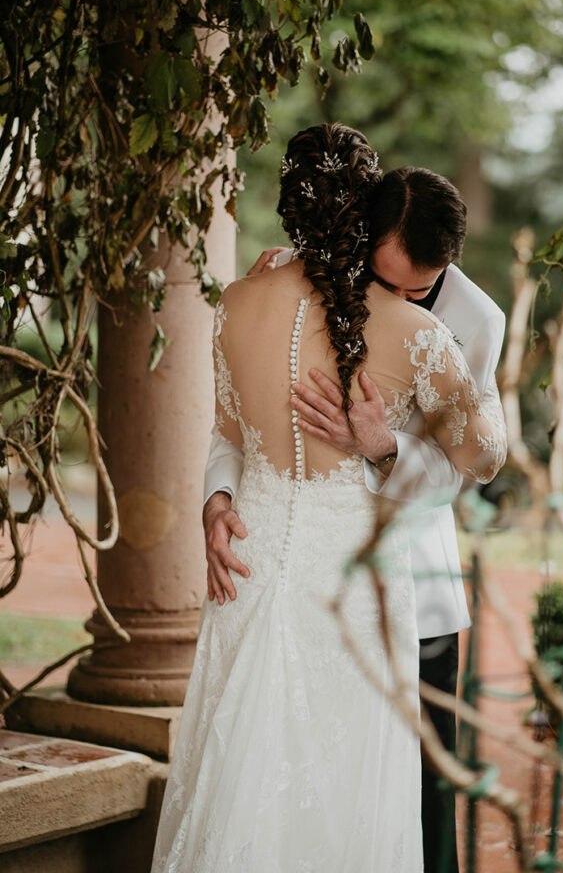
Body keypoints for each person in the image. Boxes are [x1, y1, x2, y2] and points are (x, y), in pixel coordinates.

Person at [152, 123, 506, 873]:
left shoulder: (466, 319)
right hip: (313, 573)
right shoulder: (404, 328)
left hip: (375, 563)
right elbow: (487, 454)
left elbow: (453, 475)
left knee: (260, 774)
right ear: (364, 223)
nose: (399, 292)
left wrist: (382, 444)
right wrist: (216, 500)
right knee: (322, 786)